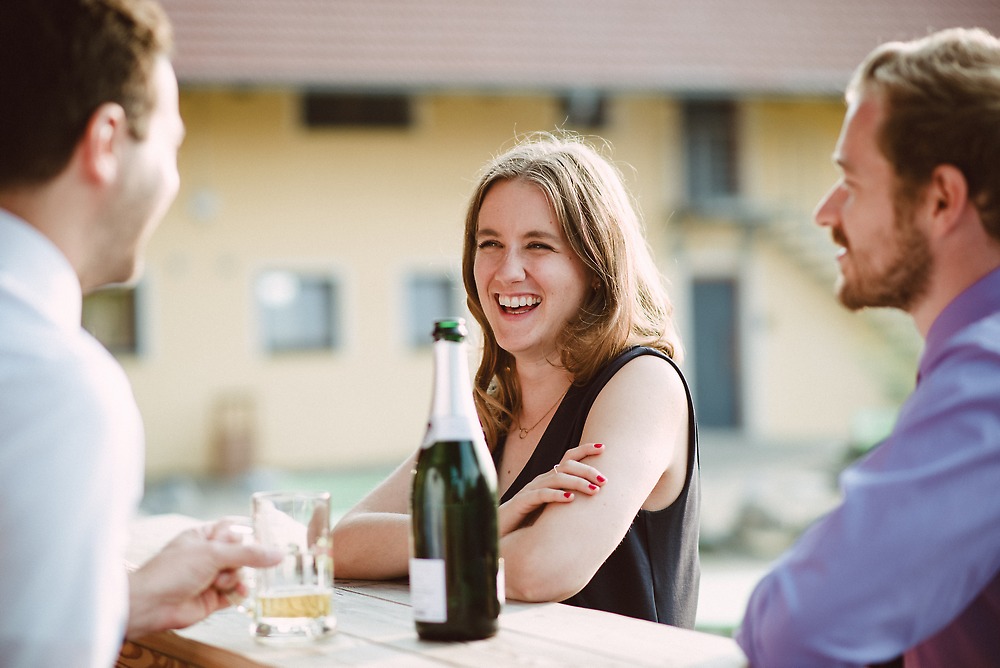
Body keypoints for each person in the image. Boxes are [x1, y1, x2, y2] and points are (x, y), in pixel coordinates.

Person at [0, 2, 281, 666]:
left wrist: (116, 601)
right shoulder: (57, 389)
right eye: (170, 145)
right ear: (105, 141)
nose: (175, 181)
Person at [334, 133, 700, 626]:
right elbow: (343, 543)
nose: (507, 271)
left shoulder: (642, 383)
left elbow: (542, 570)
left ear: (595, 266)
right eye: (490, 244)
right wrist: (500, 521)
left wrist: (429, 542)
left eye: (538, 245)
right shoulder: (491, 408)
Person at [735, 27, 1000, 666]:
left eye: (851, 182)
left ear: (941, 199)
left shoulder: (986, 376)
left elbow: (800, 626)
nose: (826, 213)